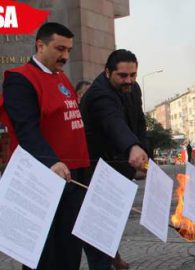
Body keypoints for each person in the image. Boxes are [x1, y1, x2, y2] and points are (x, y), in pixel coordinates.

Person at [1, 22, 90, 270]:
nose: (66, 56)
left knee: (70, 250)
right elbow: (25, 129)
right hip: (43, 177)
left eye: (69, 50)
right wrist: (51, 161)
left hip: (73, 176)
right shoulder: (20, 79)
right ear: (40, 45)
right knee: (45, 255)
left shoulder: (61, 77)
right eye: (60, 48)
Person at [79, 49, 148, 270]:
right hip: (95, 171)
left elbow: (139, 122)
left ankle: (113, 257)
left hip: (120, 167)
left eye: (133, 75)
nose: (129, 81)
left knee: (112, 222)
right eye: (122, 76)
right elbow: (113, 121)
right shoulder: (99, 93)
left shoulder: (134, 88)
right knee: (97, 228)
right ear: (107, 72)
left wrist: (145, 152)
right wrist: (132, 147)